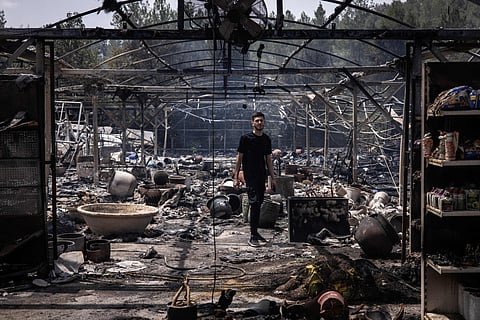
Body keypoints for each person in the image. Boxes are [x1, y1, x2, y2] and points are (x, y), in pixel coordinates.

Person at [233, 111, 276, 247]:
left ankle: (255, 232)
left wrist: (272, 178)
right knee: (254, 202)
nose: (259, 123)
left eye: (261, 121)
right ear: (252, 123)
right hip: (249, 176)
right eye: (257, 121)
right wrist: (236, 177)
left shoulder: (266, 139)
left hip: (260, 176)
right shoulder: (245, 138)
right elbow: (239, 158)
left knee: (259, 203)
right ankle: (252, 235)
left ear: (264, 123)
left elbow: (268, 160)